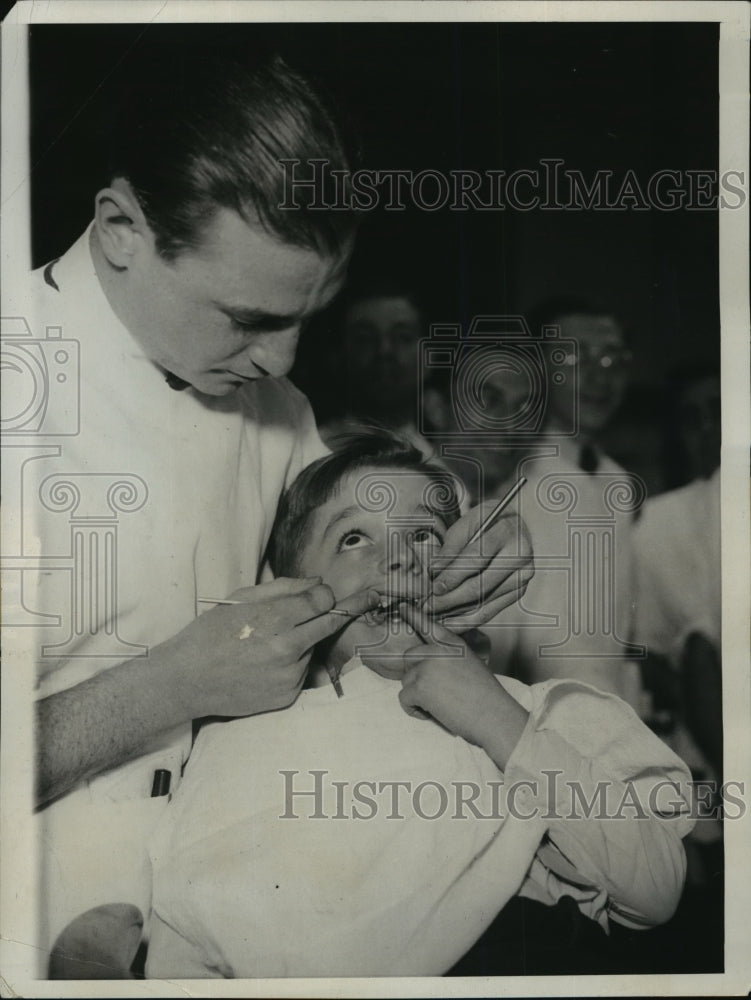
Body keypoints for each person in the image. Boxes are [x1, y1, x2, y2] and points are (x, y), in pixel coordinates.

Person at [4, 45, 533, 974]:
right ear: (122, 228)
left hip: (219, 905)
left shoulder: (274, 411)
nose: (285, 366)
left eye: (308, 319)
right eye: (249, 319)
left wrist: (475, 540)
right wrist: (166, 688)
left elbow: (378, 537)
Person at [144, 430, 693, 979]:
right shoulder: (236, 740)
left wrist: (494, 718)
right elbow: (184, 933)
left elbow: (655, 891)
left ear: (468, 576)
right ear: (291, 592)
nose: (400, 559)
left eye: (426, 536)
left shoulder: (531, 712)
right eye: (354, 538)